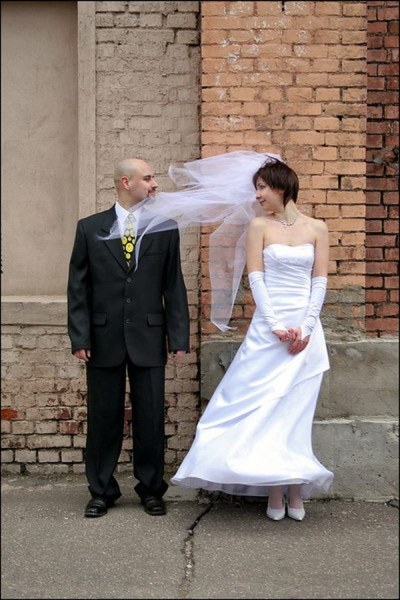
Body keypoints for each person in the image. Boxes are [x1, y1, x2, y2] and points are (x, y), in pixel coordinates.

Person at [171, 157, 333, 521]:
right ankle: (275, 490)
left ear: (281, 186)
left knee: (294, 412)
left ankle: (295, 488)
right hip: (268, 331)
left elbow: (320, 280)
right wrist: (275, 324)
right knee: (265, 410)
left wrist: (307, 327)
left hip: (305, 331)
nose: (257, 195)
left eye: (262, 187)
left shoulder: (317, 228)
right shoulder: (259, 226)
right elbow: (256, 278)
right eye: (255, 188)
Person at [67, 158, 190, 518]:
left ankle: (151, 489)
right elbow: (78, 288)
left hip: (149, 336)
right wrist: (80, 337)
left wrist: (177, 336)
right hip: (102, 338)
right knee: (103, 417)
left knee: (150, 416)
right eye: (148, 178)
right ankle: (101, 490)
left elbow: (174, 285)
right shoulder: (89, 228)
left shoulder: (165, 228)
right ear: (126, 182)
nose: (154, 184)